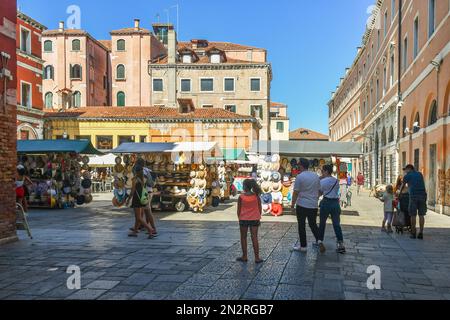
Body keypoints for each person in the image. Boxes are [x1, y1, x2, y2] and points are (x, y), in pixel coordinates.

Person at [291, 158, 320, 253]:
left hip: (302, 204)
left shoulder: (300, 177)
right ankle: (319, 240)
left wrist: (292, 205)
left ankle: (303, 246)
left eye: (298, 165)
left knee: (301, 225)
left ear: (301, 166)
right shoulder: (315, 176)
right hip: (313, 205)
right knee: (313, 224)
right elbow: (319, 190)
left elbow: (295, 192)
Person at [318, 165, 346, 254]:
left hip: (326, 202)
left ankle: (320, 241)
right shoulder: (336, 181)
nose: (322, 172)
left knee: (322, 223)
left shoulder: (322, 181)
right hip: (335, 203)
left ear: (326, 171)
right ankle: (341, 244)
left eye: (322, 171)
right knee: (336, 224)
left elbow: (320, 192)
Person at [236, 179, 263, 264]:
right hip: (254, 219)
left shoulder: (241, 197)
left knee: (243, 237)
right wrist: (258, 216)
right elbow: (260, 208)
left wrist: (239, 217)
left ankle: (244, 256)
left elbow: (238, 210)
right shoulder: (256, 196)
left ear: (244, 187)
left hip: (243, 219)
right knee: (254, 237)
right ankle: (257, 257)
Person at [127, 165, 156, 239]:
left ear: (135, 171)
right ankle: (135, 232)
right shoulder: (144, 178)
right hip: (142, 198)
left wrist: (128, 199)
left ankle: (150, 229)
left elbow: (133, 191)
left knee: (138, 217)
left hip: (136, 198)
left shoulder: (135, 179)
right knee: (138, 217)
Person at [400, 164, 427, 239]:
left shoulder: (407, 175)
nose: (405, 171)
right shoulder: (420, 174)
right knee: (421, 215)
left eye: (405, 169)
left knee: (413, 215)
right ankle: (421, 232)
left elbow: (402, 185)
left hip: (413, 196)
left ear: (409, 169)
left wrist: (399, 194)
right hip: (422, 195)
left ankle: (413, 233)